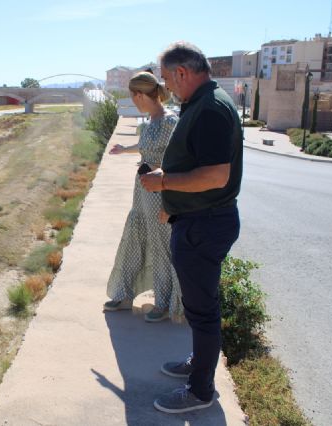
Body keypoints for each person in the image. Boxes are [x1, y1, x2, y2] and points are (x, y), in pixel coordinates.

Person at [140, 42, 243, 413]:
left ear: (182, 72)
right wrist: (173, 205)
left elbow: (216, 175)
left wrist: (164, 184)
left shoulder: (211, 108)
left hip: (205, 224)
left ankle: (200, 391)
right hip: (198, 220)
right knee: (200, 307)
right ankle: (199, 364)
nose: (166, 87)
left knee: (202, 311)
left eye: (167, 78)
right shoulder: (201, 102)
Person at [103, 71, 183, 323]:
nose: (133, 100)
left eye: (132, 96)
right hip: (142, 192)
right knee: (136, 238)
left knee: (160, 247)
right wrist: (124, 149)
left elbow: (181, 159)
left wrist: (165, 181)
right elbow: (147, 147)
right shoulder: (150, 122)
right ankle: (125, 293)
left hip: (160, 194)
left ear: (139, 95)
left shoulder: (170, 121)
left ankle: (163, 303)